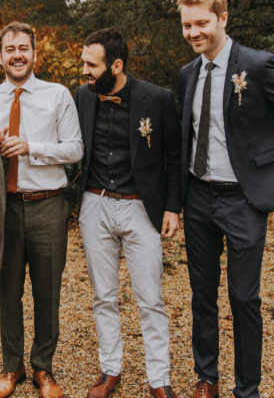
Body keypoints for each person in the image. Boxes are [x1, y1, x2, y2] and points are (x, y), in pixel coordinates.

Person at [176, 0, 274, 398]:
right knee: (202, 294)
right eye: (187, 25)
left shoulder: (259, 66)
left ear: (223, 19)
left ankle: (247, 390)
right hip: (198, 197)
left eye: (202, 23)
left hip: (244, 198)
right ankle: (207, 378)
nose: (193, 32)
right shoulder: (187, 74)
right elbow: (186, 136)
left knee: (243, 298)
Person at [0, 21, 83, 398]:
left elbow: (75, 149)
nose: (17, 55)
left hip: (48, 205)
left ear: (35, 53)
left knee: (47, 292)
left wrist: (31, 147)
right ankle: (11, 366)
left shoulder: (57, 95)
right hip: (4, 209)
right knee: (9, 292)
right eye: (10, 49)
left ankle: (43, 368)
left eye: (23, 48)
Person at [74, 28, 182, 398]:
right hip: (95, 204)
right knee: (103, 296)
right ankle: (110, 370)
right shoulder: (82, 97)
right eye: (84, 63)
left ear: (116, 66)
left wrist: (172, 207)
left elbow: (175, 156)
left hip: (142, 206)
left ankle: (159, 379)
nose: (85, 71)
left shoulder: (158, 98)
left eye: (92, 65)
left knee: (150, 297)